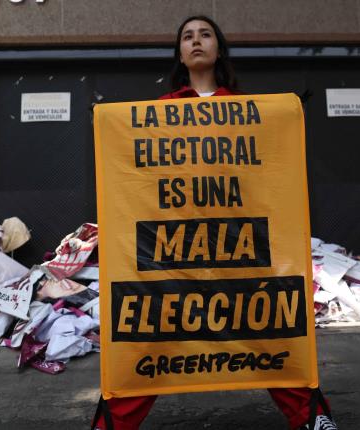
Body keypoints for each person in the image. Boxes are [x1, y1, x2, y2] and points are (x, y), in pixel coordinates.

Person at [93, 16, 337, 430]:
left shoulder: (248, 111)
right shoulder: (159, 112)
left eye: (205, 34)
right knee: (152, 333)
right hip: (177, 244)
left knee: (268, 327)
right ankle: (112, 423)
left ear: (218, 49)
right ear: (180, 53)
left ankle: (312, 416)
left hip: (236, 241)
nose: (196, 41)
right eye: (187, 37)